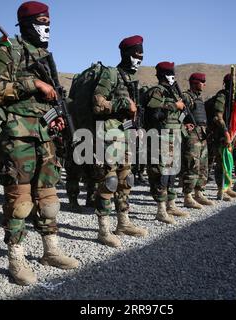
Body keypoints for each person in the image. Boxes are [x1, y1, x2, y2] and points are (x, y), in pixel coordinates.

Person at [0, 1, 78, 286]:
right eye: (41, 21)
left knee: (49, 200)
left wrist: (55, 118)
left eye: (49, 21)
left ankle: (50, 251)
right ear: (25, 24)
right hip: (17, 138)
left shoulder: (43, 57)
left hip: (44, 137)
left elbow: (42, 104)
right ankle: (17, 258)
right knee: (20, 202)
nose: (47, 26)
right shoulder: (5, 52)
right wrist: (34, 85)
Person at [91, 35, 148, 248]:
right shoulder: (111, 74)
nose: (139, 59)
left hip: (125, 137)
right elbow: (97, 104)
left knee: (126, 181)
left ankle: (123, 222)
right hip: (107, 136)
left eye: (141, 55)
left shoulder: (130, 80)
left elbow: (133, 113)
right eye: (136, 55)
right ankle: (103, 230)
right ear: (125, 54)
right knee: (109, 182)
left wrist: (138, 128)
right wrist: (123, 103)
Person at [145, 61, 188, 222]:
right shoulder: (157, 91)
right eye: (171, 74)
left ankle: (171, 204)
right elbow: (154, 112)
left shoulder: (172, 93)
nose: (173, 77)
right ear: (164, 75)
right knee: (160, 174)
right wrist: (175, 105)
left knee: (171, 173)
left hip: (173, 137)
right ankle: (161, 209)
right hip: (160, 138)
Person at [181, 73, 214, 209]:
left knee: (203, 165)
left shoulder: (199, 99)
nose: (204, 84)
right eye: (202, 82)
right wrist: (183, 127)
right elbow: (177, 115)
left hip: (202, 134)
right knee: (191, 165)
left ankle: (198, 192)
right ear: (195, 82)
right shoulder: (186, 97)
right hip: (192, 136)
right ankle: (187, 196)